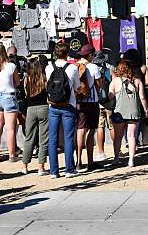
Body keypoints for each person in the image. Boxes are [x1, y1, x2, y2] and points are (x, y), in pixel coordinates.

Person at [45, 42, 81, 178]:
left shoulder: (49, 68)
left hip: (53, 106)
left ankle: (54, 171)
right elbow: (77, 87)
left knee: (53, 138)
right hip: (68, 105)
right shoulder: (72, 68)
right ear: (67, 53)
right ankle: (69, 169)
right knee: (68, 137)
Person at [109, 59, 148, 167]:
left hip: (119, 111)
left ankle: (116, 158)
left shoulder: (115, 81)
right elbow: (142, 97)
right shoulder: (137, 81)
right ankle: (131, 160)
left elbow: (110, 96)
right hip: (134, 111)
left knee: (118, 136)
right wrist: (146, 110)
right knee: (132, 136)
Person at [74, 44, 102, 171]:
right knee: (91, 131)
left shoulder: (75, 66)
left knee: (80, 130)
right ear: (90, 55)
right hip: (92, 101)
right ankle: (90, 161)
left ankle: (78, 161)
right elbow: (99, 85)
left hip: (79, 101)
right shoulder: (94, 67)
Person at [21, 57, 49, 176]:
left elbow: (24, 95)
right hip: (44, 107)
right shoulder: (44, 79)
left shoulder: (27, 80)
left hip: (30, 109)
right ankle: (41, 167)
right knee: (44, 138)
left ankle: (24, 166)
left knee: (29, 138)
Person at [122, 48, 148, 147]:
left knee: (127, 118)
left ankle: (127, 140)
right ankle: (136, 139)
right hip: (141, 94)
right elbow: (147, 83)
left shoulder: (124, 68)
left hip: (127, 95)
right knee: (138, 119)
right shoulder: (143, 67)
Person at [94, 50, 115, 162]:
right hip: (109, 102)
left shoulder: (92, 70)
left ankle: (101, 152)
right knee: (112, 126)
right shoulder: (110, 70)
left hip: (98, 103)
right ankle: (117, 150)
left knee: (100, 127)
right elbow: (115, 83)